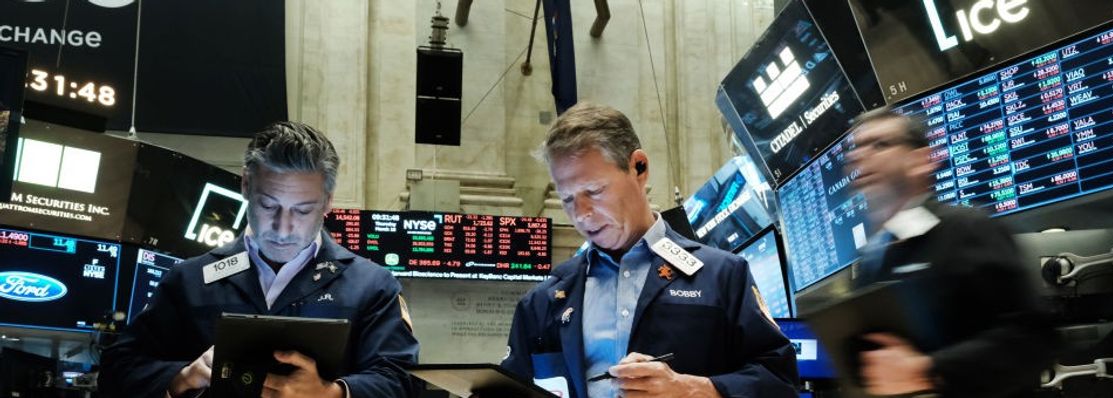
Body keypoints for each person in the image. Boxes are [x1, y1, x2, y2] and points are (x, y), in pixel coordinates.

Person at [100, 122, 421, 398]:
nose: (283, 228)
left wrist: (331, 393)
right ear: (245, 186)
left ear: (328, 203)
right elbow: (118, 371)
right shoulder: (190, 280)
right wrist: (185, 376)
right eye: (269, 206)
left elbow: (403, 381)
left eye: (303, 210)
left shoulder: (372, 286)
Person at [501, 103, 800, 398]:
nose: (581, 214)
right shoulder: (543, 301)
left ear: (639, 168)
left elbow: (779, 383)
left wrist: (692, 390)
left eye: (594, 191)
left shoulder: (722, 276)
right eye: (567, 199)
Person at [844, 108, 1057, 397]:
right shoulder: (872, 262)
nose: (860, 156)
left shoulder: (968, 229)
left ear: (920, 160)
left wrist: (928, 370)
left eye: (880, 144)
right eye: (857, 148)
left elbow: (1033, 339)